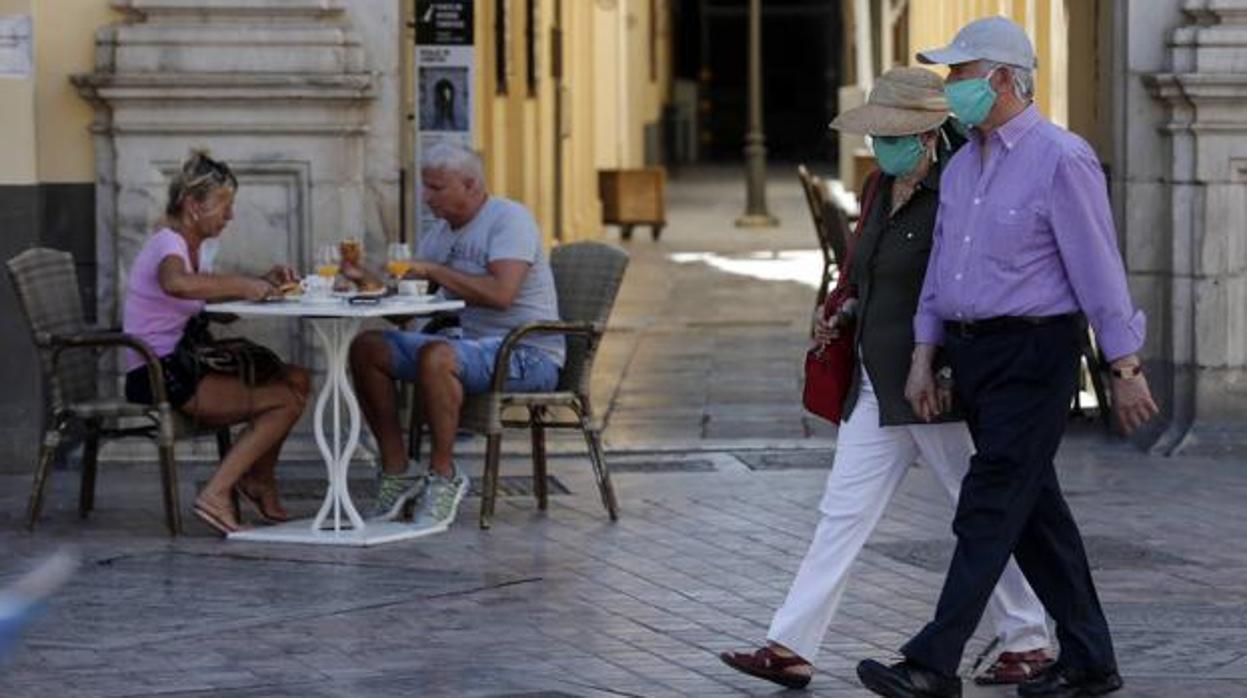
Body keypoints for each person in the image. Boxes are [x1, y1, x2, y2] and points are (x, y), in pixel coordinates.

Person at [718, 67, 1053, 691]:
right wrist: (840, 312)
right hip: (876, 381)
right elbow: (866, 271)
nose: (881, 147)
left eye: (893, 136)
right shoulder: (877, 188)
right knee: (841, 514)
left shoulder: (961, 187)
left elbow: (964, 286)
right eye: (877, 137)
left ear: (928, 135)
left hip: (934, 389)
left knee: (978, 513)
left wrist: (944, 365)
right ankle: (790, 645)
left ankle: (1029, 638)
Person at [856, 17, 1159, 698]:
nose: (950, 86)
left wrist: (1124, 366)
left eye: (958, 75)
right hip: (972, 355)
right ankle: (1089, 661)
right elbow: (939, 274)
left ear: (997, 77)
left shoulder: (1060, 158)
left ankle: (932, 662)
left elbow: (1097, 270)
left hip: (1035, 352)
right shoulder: (963, 165)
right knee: (1035, 514)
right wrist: (921, 357)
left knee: (988, 503)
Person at [347, 142, 564, 535]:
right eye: (426, 187)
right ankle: (397, 469)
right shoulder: (441, 233)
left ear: (470, 184)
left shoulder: (509, 219)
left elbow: (502, 294)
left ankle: (444, 476)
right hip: (465, 347)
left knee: (437, 356)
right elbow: (411, 312)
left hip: (527, 352)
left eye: (436, 188)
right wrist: (369, 283)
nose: (427, 198)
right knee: (368, 348)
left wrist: (435, 270)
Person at [123, 150, 311, 536]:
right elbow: (175, 283)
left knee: (297, 378)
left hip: (183, 363)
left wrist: (264, 282)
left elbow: (204, 301)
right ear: (193, 205)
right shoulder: (168, 244)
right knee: (285, 399)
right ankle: (216, 492)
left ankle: (259, 480)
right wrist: (245, 285)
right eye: (224, 207)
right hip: (161, 372)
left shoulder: (198, 249)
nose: (230, 216)